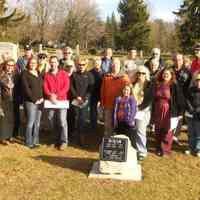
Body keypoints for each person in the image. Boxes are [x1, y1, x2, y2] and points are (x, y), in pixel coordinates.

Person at [152, 68, 185, 156]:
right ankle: (158, 147)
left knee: (168, 131)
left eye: (168, 74)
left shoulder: (174, 85)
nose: (165, 75)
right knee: (158, 129)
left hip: (169, 110)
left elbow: (180, 100)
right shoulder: (158, 84)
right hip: (158, 109)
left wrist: (180, 113)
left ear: (171, 75)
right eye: (164, 73)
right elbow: (153, 98)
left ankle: (165, 150)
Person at [44, 56, 70, 150]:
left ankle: (64, 141)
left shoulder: (63, 73)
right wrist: (50, 95)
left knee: (62, 121)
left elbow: (66, 87)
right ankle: (54, 140)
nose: (53, 64)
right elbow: (45, 87)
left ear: (58, 63)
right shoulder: (47, 75)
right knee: (51, 120)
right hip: (51, 101)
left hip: (62, 100)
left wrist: (57, 95)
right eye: (51, 62)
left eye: (54, 62)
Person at [101, 58, 130, 136]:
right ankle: (108, 141)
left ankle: (118, 143)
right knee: (107, 125)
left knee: (119, 125)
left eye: (116, 64)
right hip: (108, 105)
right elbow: (103, 91)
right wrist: (102, 103)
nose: (114, 65)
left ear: (120, 65)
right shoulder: (106, 77)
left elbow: (128, 91)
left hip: (121, 106)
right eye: (113, 64)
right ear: (111, 65)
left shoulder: (125, 77)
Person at [70, 58, 94, 146]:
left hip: (85, 101)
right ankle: (74, 137)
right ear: (77, 65)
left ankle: (81, 138)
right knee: (75, 118)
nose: (81, 66)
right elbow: (71, 87)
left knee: (82, 119)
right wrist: (77, 97)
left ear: (86, 65)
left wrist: (85, 98)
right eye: (80, 65)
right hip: (75, 100)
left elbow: (91, 88)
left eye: (83, 64)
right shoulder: (74, 75)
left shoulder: (89, 75)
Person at [21, 58, 43, 148]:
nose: (33, 64)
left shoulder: (39, 73)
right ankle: (28, 142)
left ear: (37, 64)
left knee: (37, 123)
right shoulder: (25, 74)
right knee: (30, 122)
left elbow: (41, 87)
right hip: (30, 101)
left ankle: (35, 140)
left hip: (41, 101)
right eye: (31, 63)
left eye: (34, 63)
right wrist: (34, 100)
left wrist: (42, 98)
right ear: (28, 64)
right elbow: (26, 89)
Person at [132, 65, 152, 160]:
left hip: (143, 111)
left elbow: (149, 100)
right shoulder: (133, 83)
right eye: (139, 73)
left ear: (146, 74)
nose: (140, 75)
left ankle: (142, 152)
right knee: (133, 130)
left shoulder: (149, 84)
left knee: (140, 131)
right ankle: (134, 149)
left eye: (143, 73)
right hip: (133, 110)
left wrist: (139, 108)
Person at [13, 44, 34, 138]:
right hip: (21, 86)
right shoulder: (20, 60)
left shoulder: (34, 59)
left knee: (29, 110)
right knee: (20, 109)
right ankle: (16, 130)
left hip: (31, 86)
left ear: (31, 50)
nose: (27, 52)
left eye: (29, 50)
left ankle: (29, 131)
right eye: (26, 50)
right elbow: (17, 71)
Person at [0, 59, 16, 144]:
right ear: (5, 65)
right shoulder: (1, 75)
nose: (10, 67)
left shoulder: (13, 75)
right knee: (3, 119)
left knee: (10, 118)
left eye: (12, 65)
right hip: (3, 99)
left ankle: (9, 136)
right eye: (8, 65)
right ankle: (3, 137)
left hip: (12, 100)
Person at [185, 73, 200, 157]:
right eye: (197, 81)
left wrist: (198, 109)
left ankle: (198, 149)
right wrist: (190, 108)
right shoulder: (191, 90)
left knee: (198, 133)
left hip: (199, 115)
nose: (198, 83)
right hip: (190, 114)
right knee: (191, 132)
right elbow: (187, 100)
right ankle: (190, 147)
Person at [89, 57, 103, 129]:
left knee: (101, 111)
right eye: (95, 63)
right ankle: (93, 126)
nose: (97, 64)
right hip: (93, 94)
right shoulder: (89, 73)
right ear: (93, 64)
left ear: (100, 64)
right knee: (93, 111)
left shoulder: (104, 73)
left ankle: (101, 124)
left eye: (98, 63)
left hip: (102, 94)